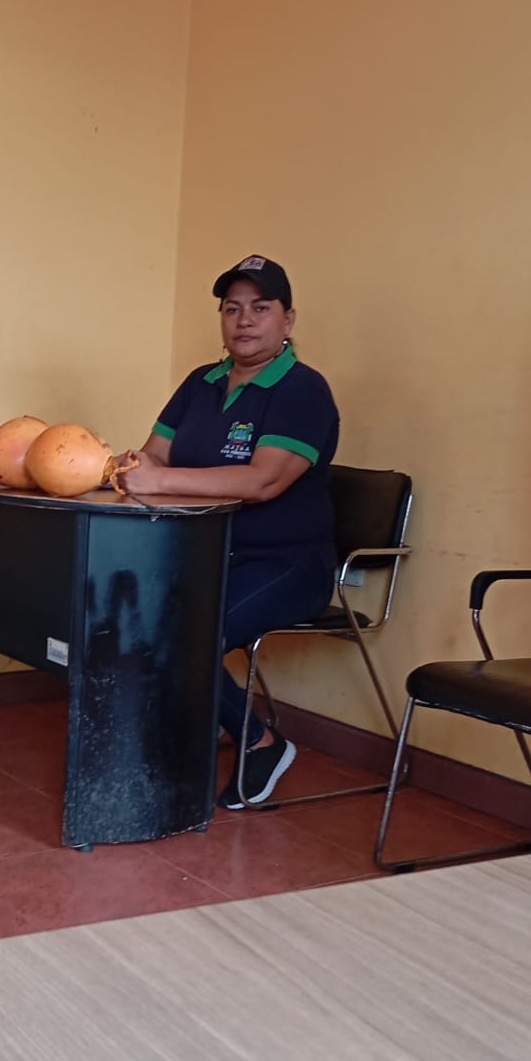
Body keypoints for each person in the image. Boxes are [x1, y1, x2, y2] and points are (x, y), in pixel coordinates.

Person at [118, 255, 340, 808]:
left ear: (288, 320)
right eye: (232, 309)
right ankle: (194, 721)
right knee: (126, 613)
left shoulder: (303, 390)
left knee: (182, 633)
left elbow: (264, 480)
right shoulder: (202, 382)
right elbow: (154, 453)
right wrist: (132, 467)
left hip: (287, 564)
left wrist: (160, 479)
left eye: (260, 308)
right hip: (205, 552)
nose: (244, 320)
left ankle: (261, 741)